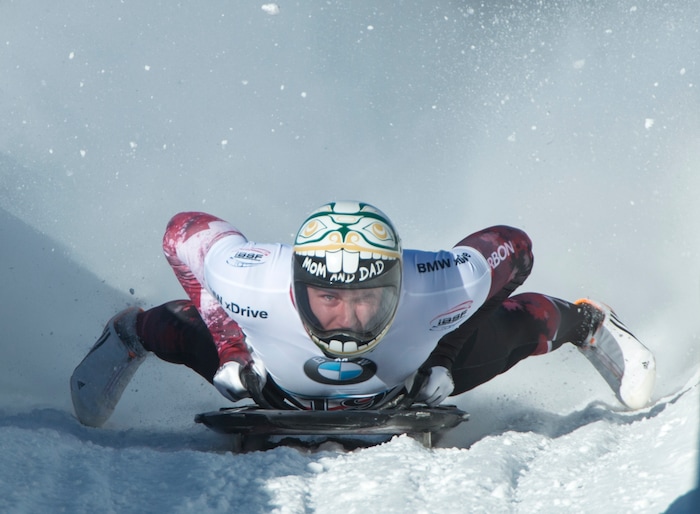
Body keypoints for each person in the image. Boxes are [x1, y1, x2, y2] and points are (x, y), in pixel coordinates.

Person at [70, 201, 656, 427]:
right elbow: (181, 231)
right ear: (298, 288)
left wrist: (445, 355)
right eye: (329, 298)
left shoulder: (442, 282)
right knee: (180, 324)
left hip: (413, 365)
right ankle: (129, 331)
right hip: (271, 366)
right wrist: (231, 349)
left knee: (516, 323)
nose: (347, 316)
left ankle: (588, 323)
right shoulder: (252, 276)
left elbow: (513, 245)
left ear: (396, 287)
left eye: (365, 298)